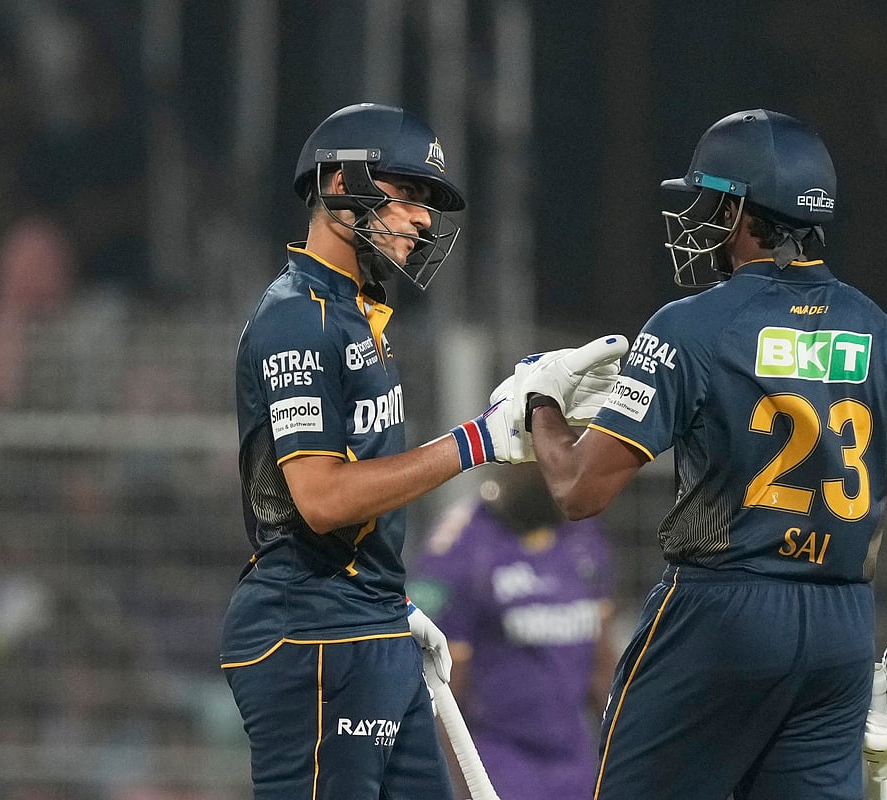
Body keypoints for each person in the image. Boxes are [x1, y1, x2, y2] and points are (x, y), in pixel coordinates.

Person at [517, 109, 887, 799]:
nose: (698, 216)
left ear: (740, 210)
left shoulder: (691, 327)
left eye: (710, 199)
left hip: (719, 613)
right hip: (840, 627)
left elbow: (579, 490)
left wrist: (539, 402)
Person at [218, 102, 624, 799]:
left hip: (365, 617)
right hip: (314, 629)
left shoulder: (356, 314)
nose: (423, 221)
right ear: (342, 184)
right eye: (407, 194)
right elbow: (321, 499)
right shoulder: (299, 319)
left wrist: (390, 598)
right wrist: (478, 439)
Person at [409, 462, 617, 799]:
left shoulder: (582, 536)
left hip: (575, 761)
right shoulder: (462, 546)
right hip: (499, 761)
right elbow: (442, 692)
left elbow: (602, 668)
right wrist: (467, 787)